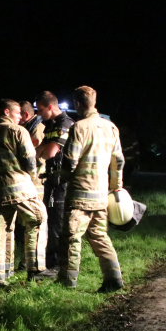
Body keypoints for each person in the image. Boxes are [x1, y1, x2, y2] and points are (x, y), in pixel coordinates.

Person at [56, 86, 125, 292]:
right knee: (100, 237)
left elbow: (69, 162)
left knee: (71, 239)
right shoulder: (111, 127)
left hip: (79, 196)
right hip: (101, 196)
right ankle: (114, 279)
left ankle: (67, 284)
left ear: (77, 104)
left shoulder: (79, 127)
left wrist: (61, 178)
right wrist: (115, 187)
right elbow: (118, 161)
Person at [0, 99, 53, 287]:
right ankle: (35, 270)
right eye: (18, 112)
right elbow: (30, 162)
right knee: (38, 219)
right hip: (18, 188)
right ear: (7, 112)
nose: (21, 116)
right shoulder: (18, 131)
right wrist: (31, 176)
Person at [35, 91, 75, 271]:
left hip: (61, 182)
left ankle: (59, 261)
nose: (39, 113)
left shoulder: (64, 124)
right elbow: (39, 150)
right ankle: (52, 257)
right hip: (52, 180)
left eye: (41, 109)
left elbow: (50, 152)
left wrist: (43, 150)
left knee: (58, 221)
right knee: (50, 220)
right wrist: (43, 150)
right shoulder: (51, 126)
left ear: (50, 107)